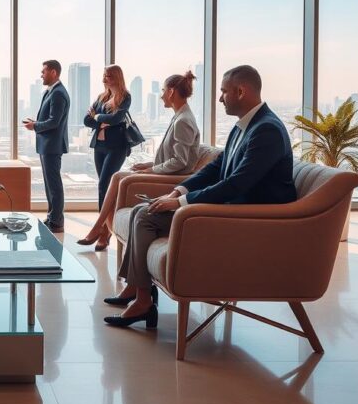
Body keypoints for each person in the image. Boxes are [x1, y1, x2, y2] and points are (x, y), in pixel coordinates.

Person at [103, 65, 296, 328]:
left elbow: (237, 184)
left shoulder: (267, 130)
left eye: (223, 92)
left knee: (145, 217)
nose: (220, 98)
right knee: (141, 211)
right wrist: (178, 190)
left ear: (241, 91)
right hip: (226, 211)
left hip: (243, 221)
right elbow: (216, 168)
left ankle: (143, 301)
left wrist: (182, 202)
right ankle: (138, 292)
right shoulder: (244, 127)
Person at [78, 70, 200, 251]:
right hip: (103, 147)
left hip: (170, 178)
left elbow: (180, 162)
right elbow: (88, 120)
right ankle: (102, 228)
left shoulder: (183, 120)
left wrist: (152, 170)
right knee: (113, 179)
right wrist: (151, 165)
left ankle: (100, 229)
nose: (161, 96)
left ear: (172, 92)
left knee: (112, 179)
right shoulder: (179, 117)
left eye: (163, 90)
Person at [23, 60, 70, 234]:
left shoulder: (58, 93)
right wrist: (35, 123)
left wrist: (35, 126)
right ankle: (53, 217)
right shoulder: (51, 92)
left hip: (52, 145)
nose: (41, 74)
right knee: (50, 185)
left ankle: (56, 221)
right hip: (47, 145)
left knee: (54, 185)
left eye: (44, 71)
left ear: (53, 73)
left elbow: (54, 122)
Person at [84, 65, 132, 211]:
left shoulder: (125, 97)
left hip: (116, 147)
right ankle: (104, 222)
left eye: (108, 76)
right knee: (103, 185)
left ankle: (104, 225)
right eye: (104, 75)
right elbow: (86, 120)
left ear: (117, 77)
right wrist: (104, 120)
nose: (104, 78)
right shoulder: (101, 97)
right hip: (99, 146)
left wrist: (97, 116)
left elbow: (116, 119)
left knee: (104, 184)